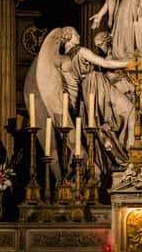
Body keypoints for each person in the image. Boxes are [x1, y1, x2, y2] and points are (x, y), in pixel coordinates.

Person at [58, 27, 135, 171]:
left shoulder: (66, 58)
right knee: (130, 110)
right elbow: (106, 64)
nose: (79, 35)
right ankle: (132, 152)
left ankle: (121, 154)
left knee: (104, 122)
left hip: (87, 92)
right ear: (69, 37)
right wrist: (131, 63)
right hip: (98, 85)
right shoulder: (81, 51)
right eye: (76, 34)